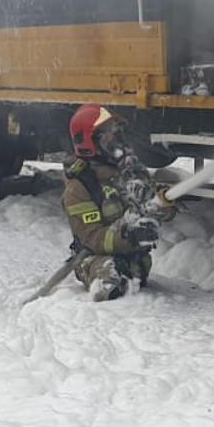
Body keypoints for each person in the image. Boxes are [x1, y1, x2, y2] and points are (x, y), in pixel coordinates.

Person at [62, 104, 177, 301]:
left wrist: (162, 207)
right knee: (110, 282)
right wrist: (130, 236)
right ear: (90, 142)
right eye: (108, 134)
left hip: (135, 259)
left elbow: (166, 211)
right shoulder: (79, 187)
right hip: (93, 259)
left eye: (117, 132)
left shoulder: (130, 173)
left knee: (130, 276)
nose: (117, 139)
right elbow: (92, 238)